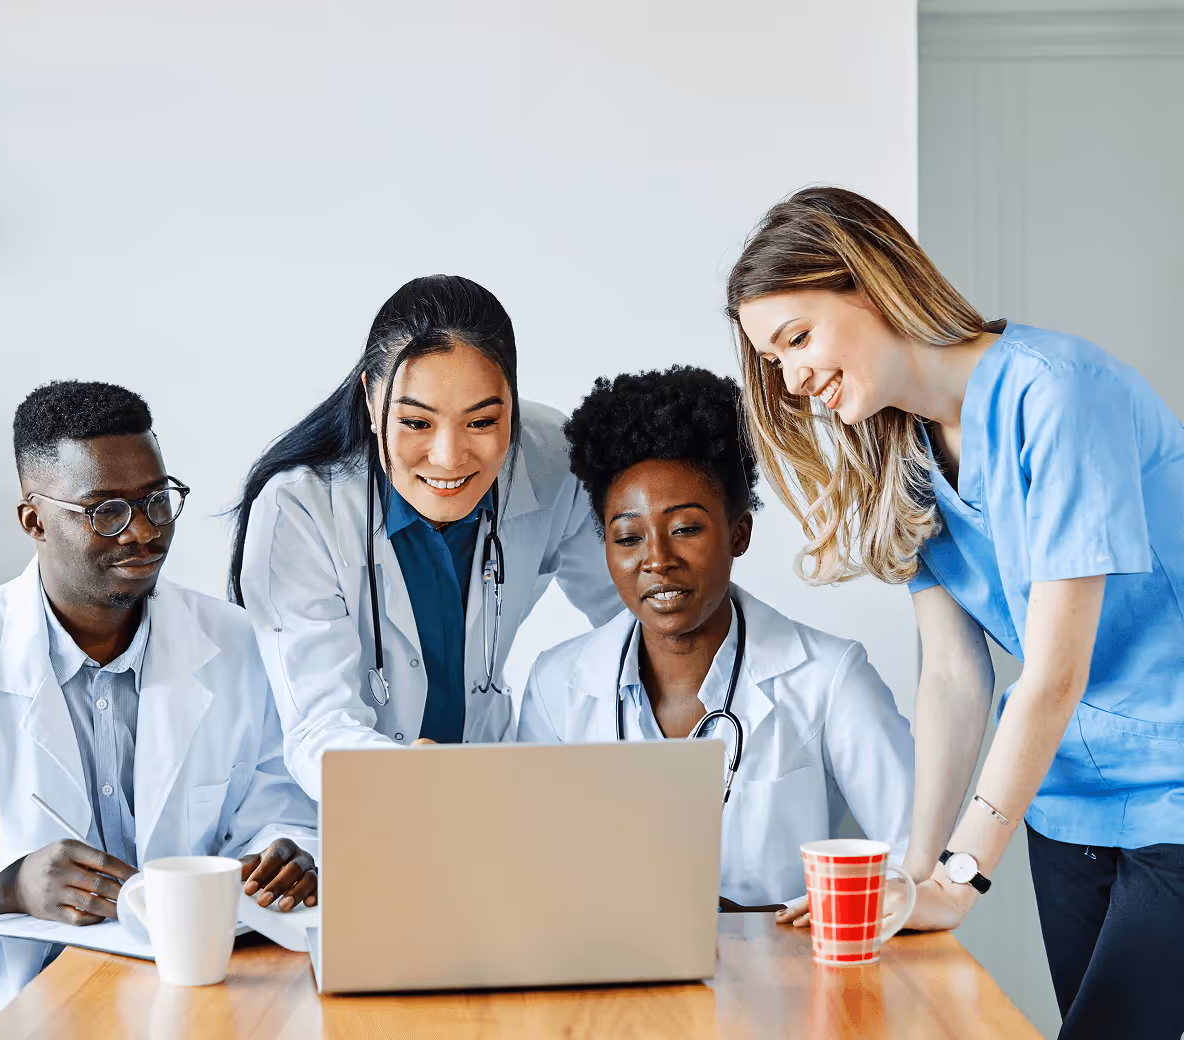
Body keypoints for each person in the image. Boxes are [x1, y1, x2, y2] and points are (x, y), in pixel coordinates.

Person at [728, 186, 1184, 1039]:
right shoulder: (902, 455)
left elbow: (1054, 673)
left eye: (798, 338)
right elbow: (950, 676)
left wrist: (963, 875)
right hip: (1068, 803)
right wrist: (913, 871)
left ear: (871, 281)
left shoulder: (1056, 397)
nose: (790, 378)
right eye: (772, 358)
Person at [0, 381, 320, 1040]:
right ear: (33, 520)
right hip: (22, 1008)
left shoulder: (237, 647)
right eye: (104, 511)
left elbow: (280, 803)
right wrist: (8, 885)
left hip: (206, 1000)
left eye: (155, 501)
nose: (142, 531)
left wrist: (284, 853)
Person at [516, 366, 915, 911]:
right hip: (618, 981)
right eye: (628, 536)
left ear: (739, 533)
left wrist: (833, 915)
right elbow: (532, 872)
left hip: (786, 982)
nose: (656, 560)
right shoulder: (557, 687)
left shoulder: (829, 679)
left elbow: (914, 866)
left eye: (685, 529)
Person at [232, 275, 620, 796]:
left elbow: (635, 617)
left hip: (487, 784)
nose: (448, 457)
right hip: (350, 805)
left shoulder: (554, 459)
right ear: (372, 401)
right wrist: (411, 778)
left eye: (482, 422)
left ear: (513, 402)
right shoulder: (301, 508)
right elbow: (318, 724)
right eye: (417, 423)